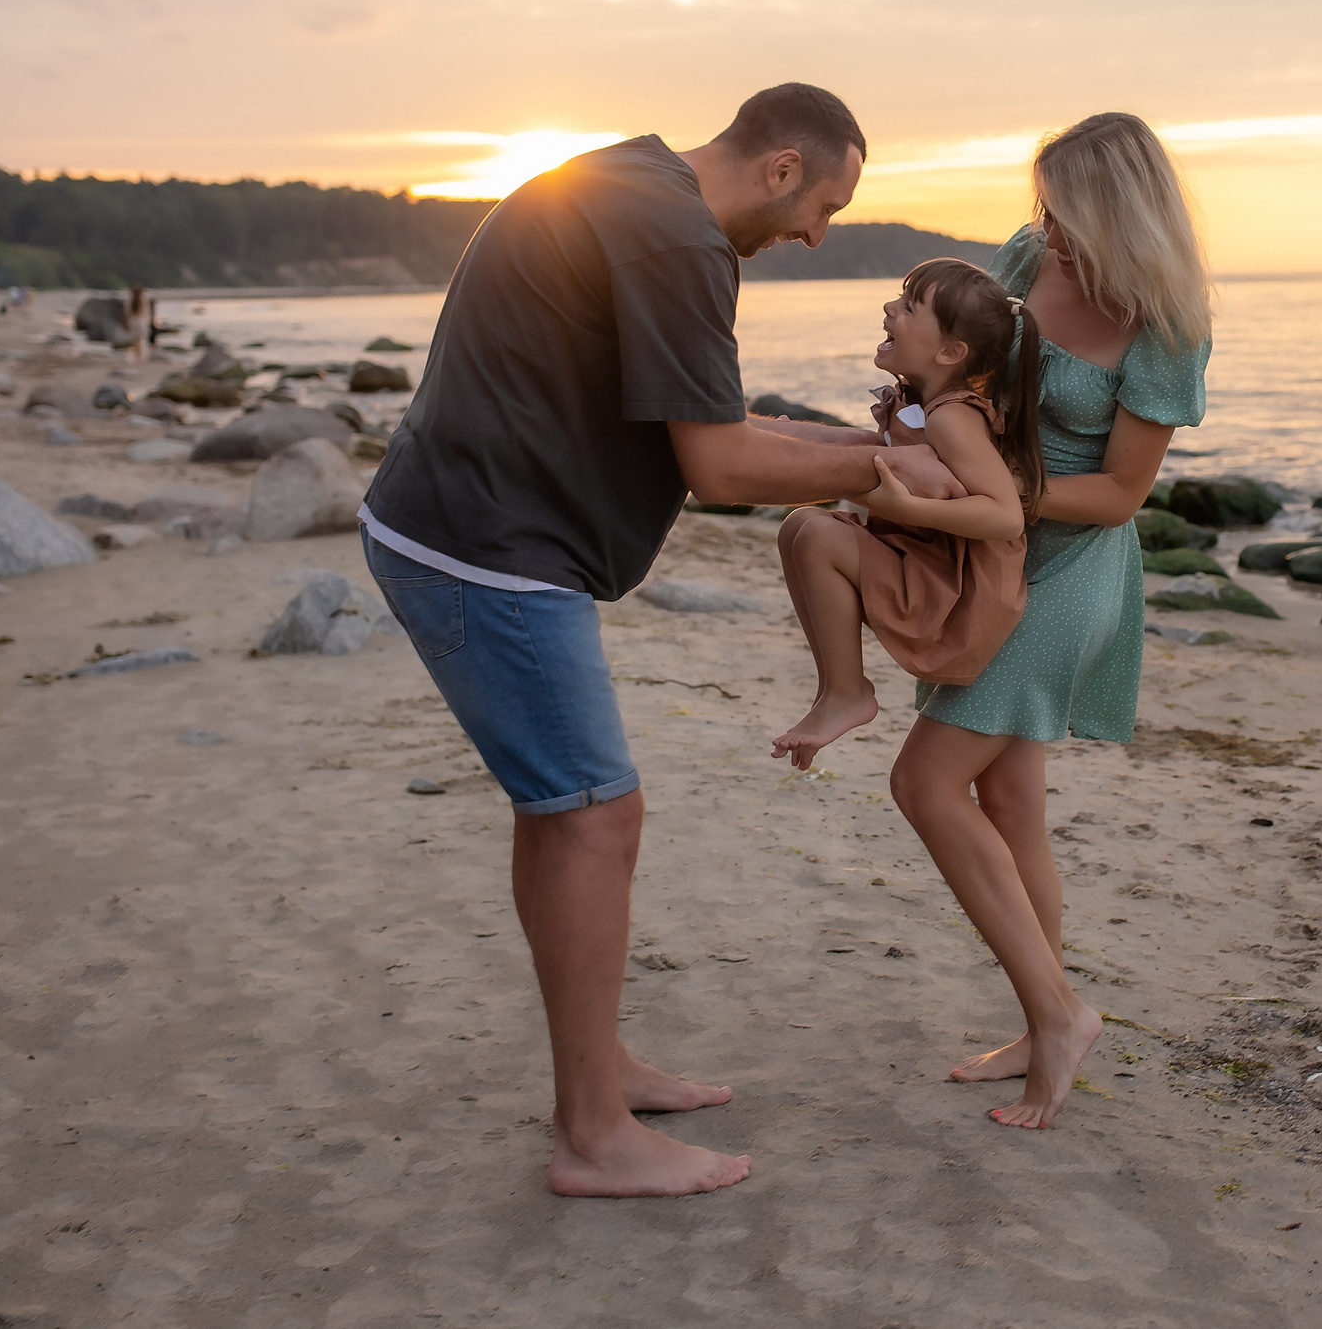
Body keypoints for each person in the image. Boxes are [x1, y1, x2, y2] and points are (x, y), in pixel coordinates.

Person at [355, 84, 962, 1199]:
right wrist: (898, 477)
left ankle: (597, 1071)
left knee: (565, 810)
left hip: (455, 526)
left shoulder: (628, 181)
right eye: (820, 206)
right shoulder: (680, 240)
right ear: (779, 167)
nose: (815, 236)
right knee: (596, 815)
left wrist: (848, 448)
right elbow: (722, 469)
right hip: (487, 551)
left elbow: (719, 423)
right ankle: (592, 1135)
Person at [885, 113, 1212, 1130]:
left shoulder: (1166, 327)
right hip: (996, 548)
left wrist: (986, 492)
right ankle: (1043, 1020)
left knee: (924, 781)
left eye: (1064, 209)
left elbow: (1119, 495)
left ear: (1117, 212)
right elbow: (960, 367)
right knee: (1013, 804)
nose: (1044, 227)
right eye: (1041, 204)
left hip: (1069, 568)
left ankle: (1059, 1014)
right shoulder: (1029, 261)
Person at [765, 258, 1044, 767]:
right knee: (800, 526)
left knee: (816, 534)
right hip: (926, 563)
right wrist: (770, 433)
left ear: (949, 352)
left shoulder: (951, 417)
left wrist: (905, 506)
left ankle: (848, 693)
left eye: (909, 307)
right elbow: (865, 448)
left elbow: (1005, 516)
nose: (890, 308)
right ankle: (837, 688)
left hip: (960, 591)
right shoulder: (919, 404)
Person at [124, 286, 153, 364]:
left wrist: (127, 322)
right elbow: (147, 312)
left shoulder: (130, 300)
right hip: (142, 321)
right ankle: (141, 355)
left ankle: (136, 355)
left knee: (135, 340)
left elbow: (127, 312)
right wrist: (148, 322)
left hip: (133, 321)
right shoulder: (143, 299)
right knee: (141, 339)